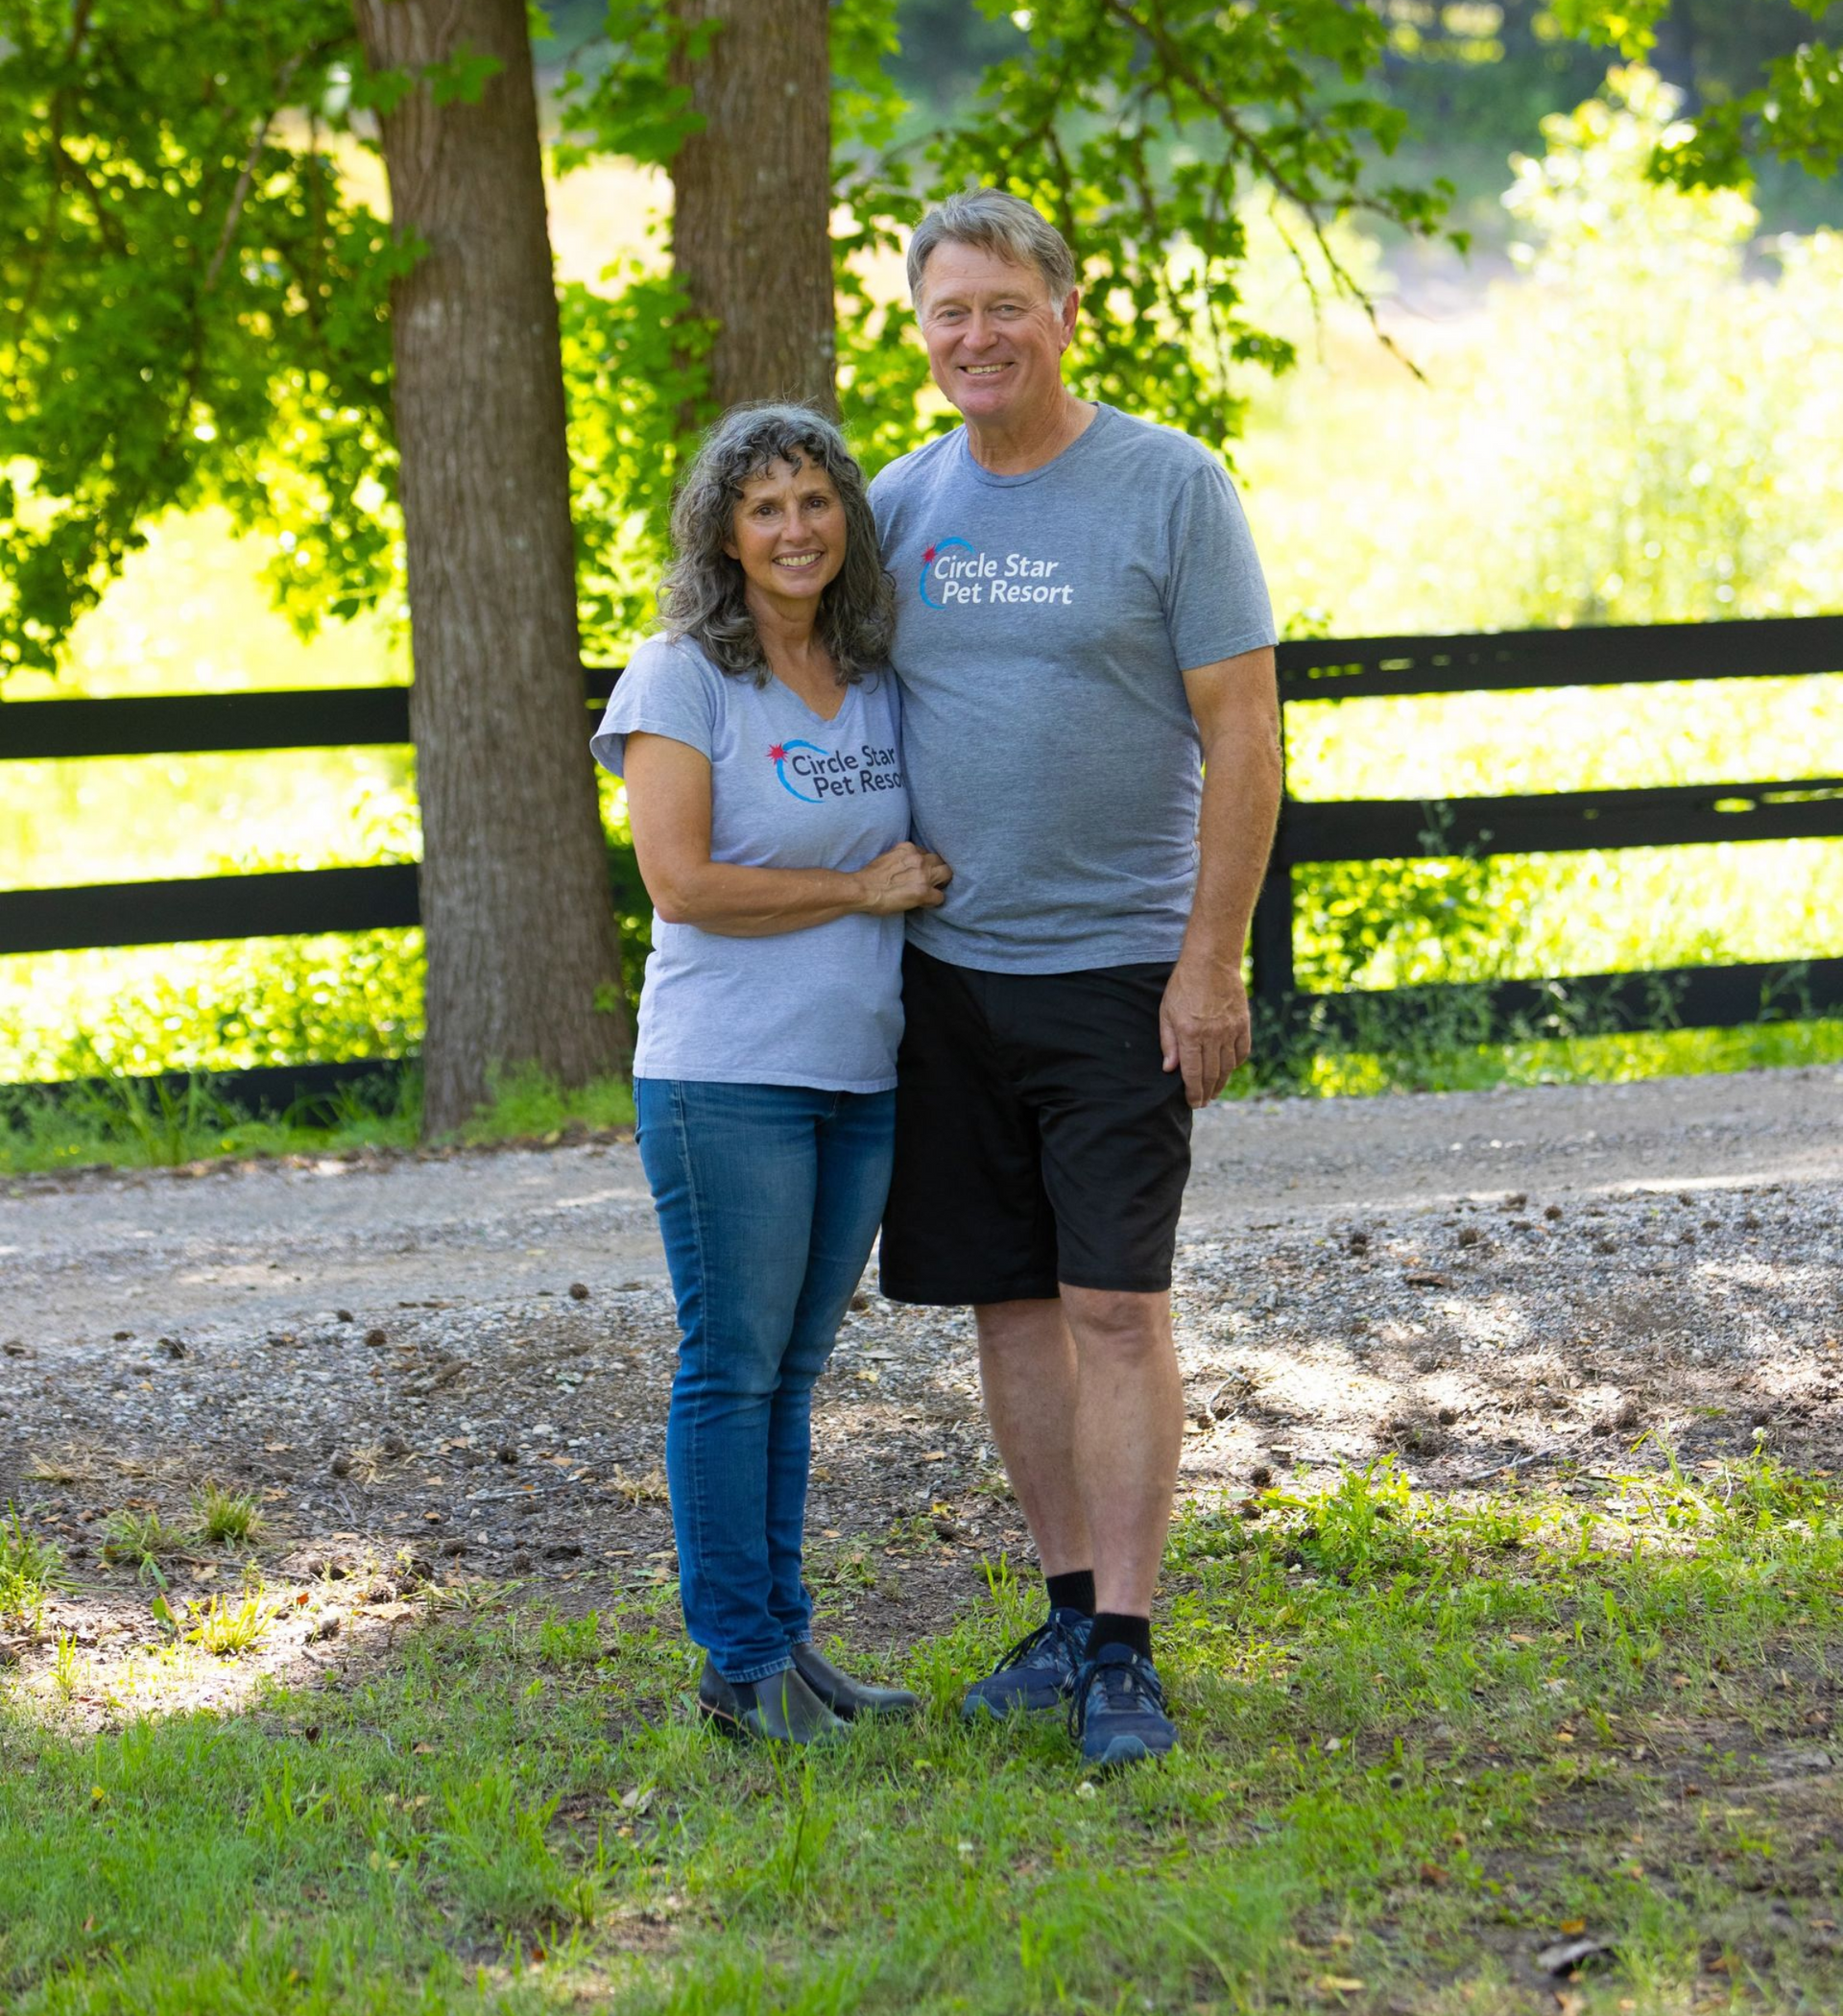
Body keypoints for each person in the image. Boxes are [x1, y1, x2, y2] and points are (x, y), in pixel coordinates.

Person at [870, 189, 1282, 1768]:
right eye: (947, 314)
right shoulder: (902, 504)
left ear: (1065, 309)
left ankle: (1126, 1644)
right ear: (925, 335)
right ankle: (1057, 1615)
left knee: (1115, 1301)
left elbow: (1244, 735)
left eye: (1002, 307)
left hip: (1122, 973)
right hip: (947, 982)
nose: (976, 337)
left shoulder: (1168, 488)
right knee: (1013, 1303)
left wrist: (1210, 961)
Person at [591, 403, 951, 1745]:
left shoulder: (874, 673)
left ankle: (787, 1654)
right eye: (765, 508)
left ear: (847, 519)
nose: (795, 528)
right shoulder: (682, 674)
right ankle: (737, 1663)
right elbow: (680, 884)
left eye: (815, 501)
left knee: (792, 1371)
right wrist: (860, 887)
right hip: (724, 1076)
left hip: (858, 1074)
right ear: (724, 534)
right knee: (730, 1367)